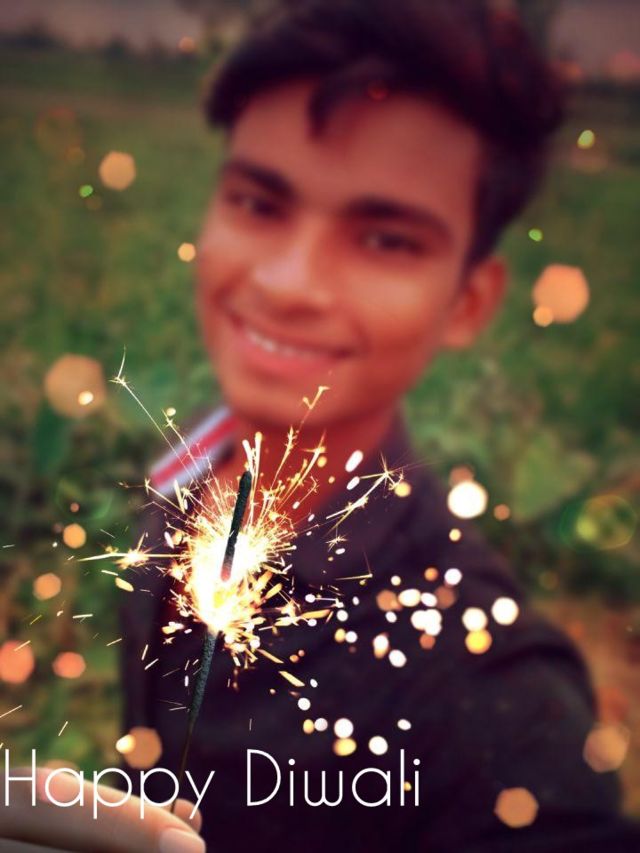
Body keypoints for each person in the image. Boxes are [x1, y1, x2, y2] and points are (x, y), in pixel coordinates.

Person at [2, 1, 638, 850]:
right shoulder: (193, 459)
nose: (288, 282)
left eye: (385, 239)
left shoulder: (495, 697)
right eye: (259, 203)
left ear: (468, 300)